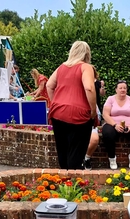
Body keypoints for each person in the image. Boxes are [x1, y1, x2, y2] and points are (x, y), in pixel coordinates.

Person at [46, 41, 97, 170]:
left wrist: (56, 102)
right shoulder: (86, 67)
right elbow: (89, 88)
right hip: (79, 114)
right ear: (87, 53)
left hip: (58, 112)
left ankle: (63, 183)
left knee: (62, 151)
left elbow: (49, 86)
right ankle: (73, 183)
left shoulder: (61, 67)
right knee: (76, 153)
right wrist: (92, 111)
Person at [102, 80, 130, 169]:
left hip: (129, 125)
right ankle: (112, 158)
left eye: (124, 88)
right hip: (113, 125)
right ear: (116, 90)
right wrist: (115, 125)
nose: (123, 90)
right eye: (120, 88)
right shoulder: (110, 99)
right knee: (107, 133)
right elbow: (105, 114)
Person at [83, 68, 106, 170]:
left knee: (94, 139)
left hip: (94, 111)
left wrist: (102, 87)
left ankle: (86, 158)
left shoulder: (97, 83)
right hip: (80, 111)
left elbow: (102, 94)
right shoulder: (80, 81)